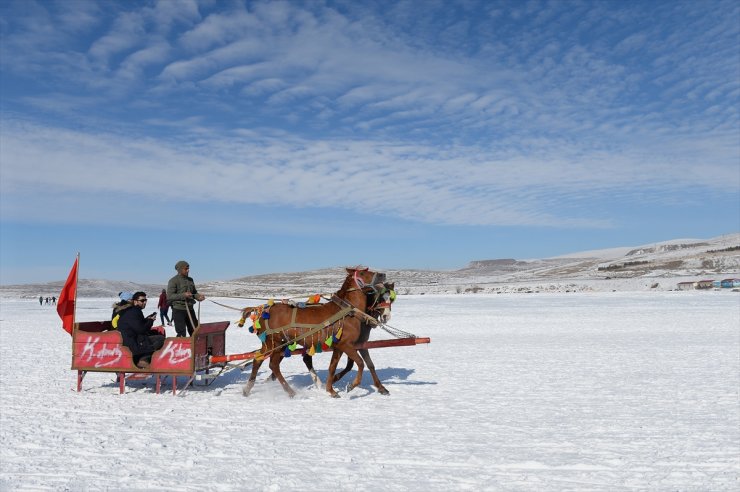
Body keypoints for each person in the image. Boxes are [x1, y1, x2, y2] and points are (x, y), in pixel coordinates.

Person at [117, 291, 165, 369]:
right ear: (135, 301)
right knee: (161, 339)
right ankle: (142, 359)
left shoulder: (134, 310)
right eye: (142, 301)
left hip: (133, 339)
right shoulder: (134, 312)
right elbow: (141, 330)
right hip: (131, 342)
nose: (144, 302)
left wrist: (147, 319)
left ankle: (143, 359)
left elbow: (138, 325)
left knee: (158, 337)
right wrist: (150, 321)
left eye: (146, 300)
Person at [167, 260, 205, 337]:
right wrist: (183, 295)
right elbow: (170, 296)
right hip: (178, 310)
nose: (188, 270)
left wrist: (198, 297)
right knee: (181, 333)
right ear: (180, 269)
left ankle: (194, 348)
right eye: (186, 269)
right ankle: (181, 348)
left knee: (195, 331)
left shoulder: (190, 280)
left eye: (188, 268)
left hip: (190, 309)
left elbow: (194, 293)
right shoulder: (173, 281)